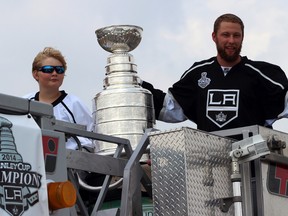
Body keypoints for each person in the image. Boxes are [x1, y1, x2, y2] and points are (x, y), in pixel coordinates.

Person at [141, 13, 288, 133]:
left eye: (236, 35)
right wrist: (135, 84)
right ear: (214, 37)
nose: (231, 40)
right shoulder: (198, 73)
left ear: (242, 37)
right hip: (208, 160)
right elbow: (171, 108)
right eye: (225, 35)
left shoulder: (263, 74)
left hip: (252, 162)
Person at [24, 47, 95, 150]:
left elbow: (90, 140)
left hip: (67, 163)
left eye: (59, 70)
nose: (54, 73)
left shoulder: (74, 104)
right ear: (35, 74)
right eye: (48, 69)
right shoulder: (25, 102)